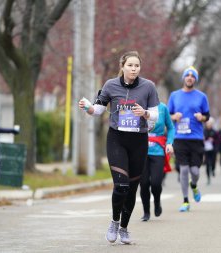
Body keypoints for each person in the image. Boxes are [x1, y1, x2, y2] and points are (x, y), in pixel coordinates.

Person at [78, 51, 159, 244]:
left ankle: (124, 228)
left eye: (136, 66)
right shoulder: (110, 85)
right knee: (121, 185)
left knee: (131, 189)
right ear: (122, 66)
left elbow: (156, 115)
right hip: (117, 139)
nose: (133, 69)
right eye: (130, 65)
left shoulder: (149, 86)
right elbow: (98, 109)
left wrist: (145, 113)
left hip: (138, 141)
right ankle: (114, 221)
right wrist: (88, 107)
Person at [168, 66, 210, 212]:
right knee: (184, 170)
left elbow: (207, 116)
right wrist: (174, 117)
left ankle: (194, 186)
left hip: (196, 138)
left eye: (193, 76)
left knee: (195, 172)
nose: (190, 78)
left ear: (195, 80)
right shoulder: (174, 95)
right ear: (184, 78)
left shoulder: (201, 97)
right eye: (187, 76)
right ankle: (186, 200)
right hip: (180, 138)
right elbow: (169, 116)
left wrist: (201, 117)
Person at [140, 102, 174, 221]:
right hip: (141, 151)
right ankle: (146, 211)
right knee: (143, 184)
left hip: (158, 151)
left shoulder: (163, 108)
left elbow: (170, 127)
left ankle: (157, 201)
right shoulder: (139, 105)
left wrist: (169, 143)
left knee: (155, 183)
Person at [203, 117, 218, 185]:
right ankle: (208, 178)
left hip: (213, 150)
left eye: (210, 123)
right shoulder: (203, 131)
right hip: (206, 150)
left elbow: (218, 140)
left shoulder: (214, 131)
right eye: (207, 123)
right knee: (207, 164)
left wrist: (213, 140)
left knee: (213, 162)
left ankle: (213, 169)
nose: (209, 125)